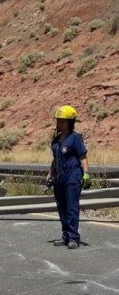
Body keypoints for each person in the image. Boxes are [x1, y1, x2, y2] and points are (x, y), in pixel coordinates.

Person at [46, 105, 90, 249]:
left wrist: (87, 174)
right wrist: (50, 174)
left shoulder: (75, 138)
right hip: (59, 177)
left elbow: (82, 156)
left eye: (63, 121)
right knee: (62, 207)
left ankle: (73, 238)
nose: (60, 124)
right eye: (58, 121)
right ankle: (65, 236)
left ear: (70, 123)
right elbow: (55, 159)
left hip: (72, 176)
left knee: (71, 207)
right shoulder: (56, 140)